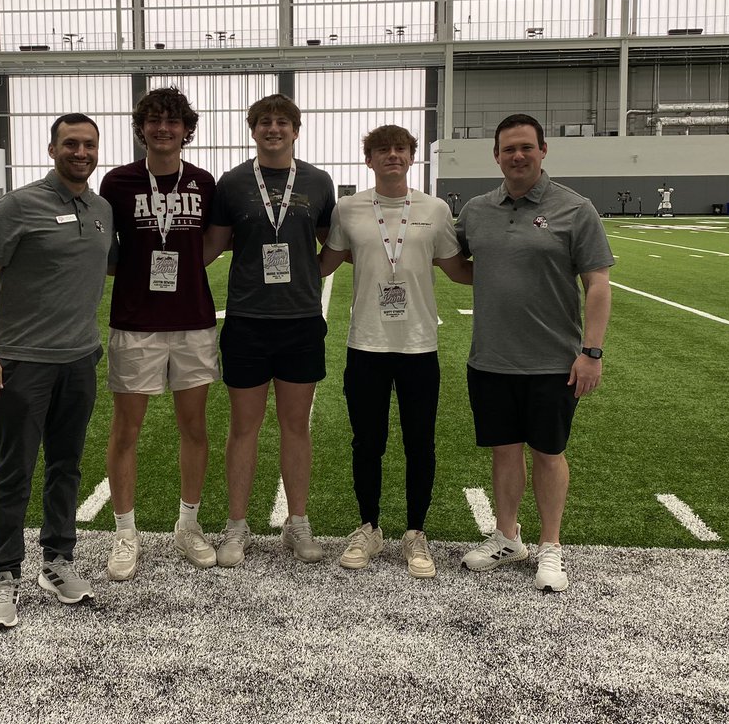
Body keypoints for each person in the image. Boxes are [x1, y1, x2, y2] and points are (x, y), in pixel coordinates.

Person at [455, 113, 613, 593]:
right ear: (496, 156)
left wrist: (592, 352)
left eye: (526, 147)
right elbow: (461, 267)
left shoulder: (575, 209)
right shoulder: (477, 211)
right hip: (491, 358)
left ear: (543, 150)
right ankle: (507, 536)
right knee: (504, 452)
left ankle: (550, 545)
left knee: (548, 452)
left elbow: (598, 284)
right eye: (508, 149)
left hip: (553, 361)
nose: (517, 156)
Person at [0, 113, 113, 629]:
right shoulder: (19, 205)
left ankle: (57, 560)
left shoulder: (101, 209)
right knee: (14, 471)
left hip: (79, 359)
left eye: (89, 144)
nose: (81, 151)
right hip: (23, 363)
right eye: (70, 143)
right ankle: (4, 573)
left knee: (66, 466)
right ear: (51, 149)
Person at [319, 125, 468, 578]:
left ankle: (415, 532)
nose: (392, 156)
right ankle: (369, 527)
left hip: (419, 345)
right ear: (369, 159)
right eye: (382, 150)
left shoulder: (435, 209)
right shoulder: (348, 209)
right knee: (368, 442)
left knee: (419, 443)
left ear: (411, 156)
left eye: (400, 149)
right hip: (366, 343)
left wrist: (521, 267)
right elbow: (323, 263)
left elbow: (458, 270)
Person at [205, 93, 336, 566]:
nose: (273, 129)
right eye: (264, 122)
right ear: (252, 128)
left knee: (294, 427)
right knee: (244, 428)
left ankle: (297, 522)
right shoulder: (234, 182)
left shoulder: (319, 181)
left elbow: (332, 243)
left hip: (300, 321)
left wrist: (308, 273)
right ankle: (236, 526)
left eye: (282, 122)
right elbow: (213, 247)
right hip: (247, 321)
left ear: (296, 130)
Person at [99, 87, 219, 580]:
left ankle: (187, 524)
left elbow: (212, 243)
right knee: (126, 430)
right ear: (141, 127)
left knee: (194, 427)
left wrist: (184, 268)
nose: (163, 128)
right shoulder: (118, 181)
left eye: (172, 121)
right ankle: (125, 533)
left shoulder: (204, 181)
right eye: (153, 119)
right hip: (136, 322)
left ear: (187, 130)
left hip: (192, 321)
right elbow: (105, 249)